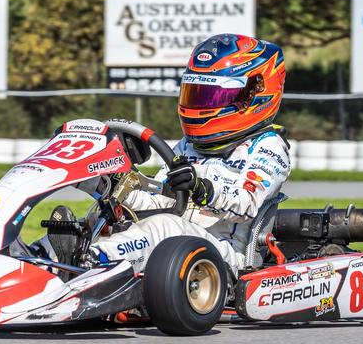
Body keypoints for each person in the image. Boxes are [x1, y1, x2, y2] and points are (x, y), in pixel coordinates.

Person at [89, 33, 291, 276]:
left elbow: (246, 204)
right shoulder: (188, 146)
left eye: (212, 96)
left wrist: (203, 188)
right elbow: (161, 201)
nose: (201, 105)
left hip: (227, 256)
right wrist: (111, 185)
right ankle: (47, 261)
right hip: (177, 246)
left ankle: (95, 262)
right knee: (105, 216)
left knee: (164, 226)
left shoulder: (268, 145)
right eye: (196, 94)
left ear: (252, 95)